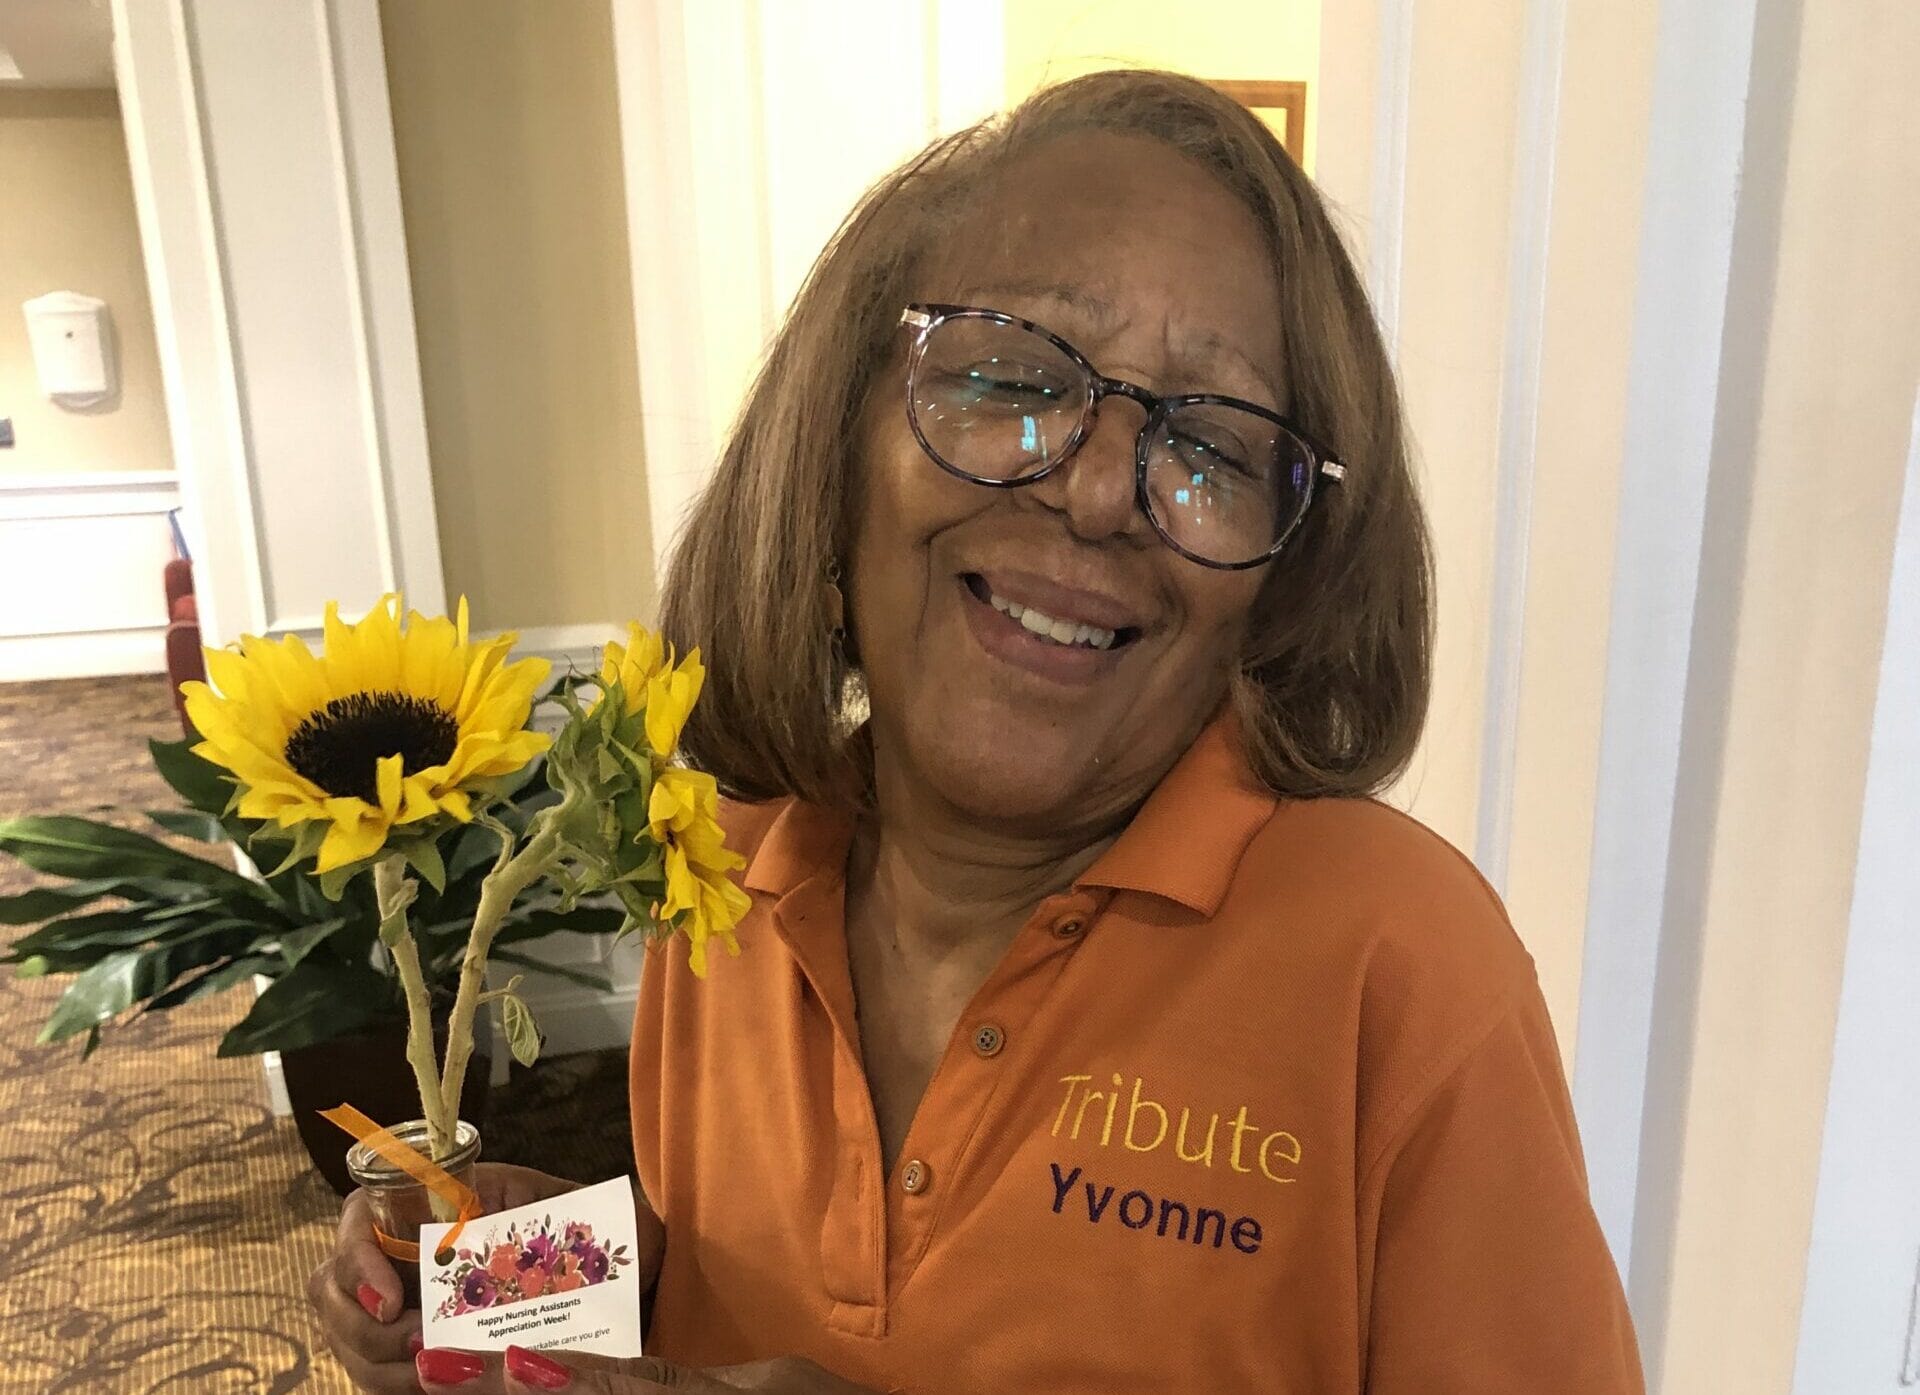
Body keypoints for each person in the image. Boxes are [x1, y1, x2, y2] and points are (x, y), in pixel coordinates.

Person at [312, 70, 1644, 1395]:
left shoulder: (1400, 968)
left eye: (1214, 450)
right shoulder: (722, 866)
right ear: (832, 448)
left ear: (1284, 577)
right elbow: (718, 1266)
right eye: (1012, 377)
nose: (1100, 488)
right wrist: (511, 1273)